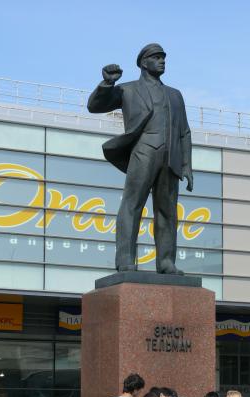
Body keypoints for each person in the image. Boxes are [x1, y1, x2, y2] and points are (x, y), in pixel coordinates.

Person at [87, 43, 193, 274]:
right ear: (144, 62)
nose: (162, 61)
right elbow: (94, 106)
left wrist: (187, 164)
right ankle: (126, 260)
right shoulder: (128, 89)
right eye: (157, 57)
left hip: (170, 158)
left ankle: (166, 262)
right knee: (132, 206)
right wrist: (107, 83)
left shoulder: (175, 95)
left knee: (167, 212)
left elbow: (184, 131)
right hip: (144, 151)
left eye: (164, 57)